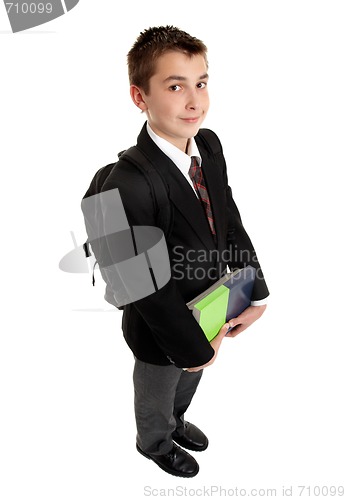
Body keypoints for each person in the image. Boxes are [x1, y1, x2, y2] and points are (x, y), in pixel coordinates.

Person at [99, 25, 269, 478]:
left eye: (201, 83)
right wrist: (193, 348)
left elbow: (229, 219)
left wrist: (257, 292)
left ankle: (174, 421)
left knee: (190, 381)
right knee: (158, 387)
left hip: (212, 303)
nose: (195, 101)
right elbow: (147, 290)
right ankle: (153, 440)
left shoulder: (208, 146)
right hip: (162, 327)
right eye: (175, 86)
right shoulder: (128, 185)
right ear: (140, 97)